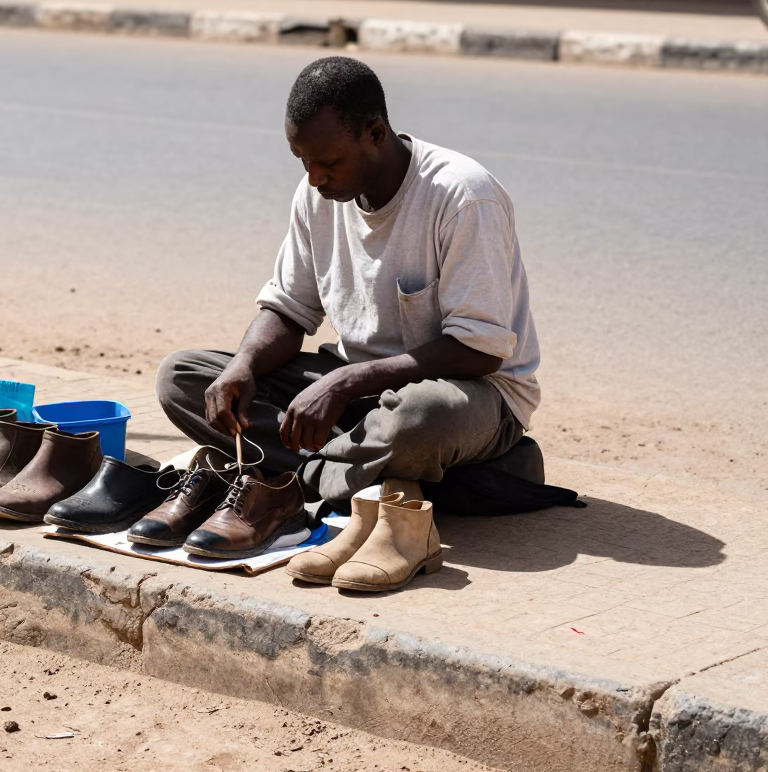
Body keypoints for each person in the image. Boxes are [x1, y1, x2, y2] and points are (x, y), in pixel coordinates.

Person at [156, 55, 540, 511]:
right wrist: (244, 366)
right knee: (183, 377)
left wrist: (343, 383)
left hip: (469, 394)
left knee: (420, 419)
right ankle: (364, 473)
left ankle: (296, 482)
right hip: (359, 391)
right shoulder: (317, 195)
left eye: (329, 163)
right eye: (304, 162)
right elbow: (287, 309)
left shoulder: (463, 196)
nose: (314, 178)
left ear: (375, 134)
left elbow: (478, 350)